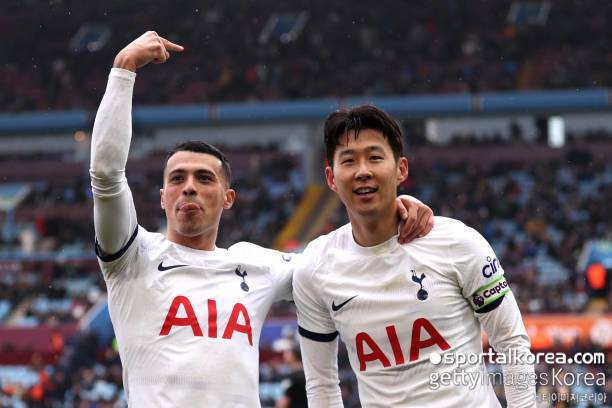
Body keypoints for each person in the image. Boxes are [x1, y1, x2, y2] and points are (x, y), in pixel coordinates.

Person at [90, 31, 434, 407]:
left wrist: (391, 207)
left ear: (228, 198)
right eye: (177, 179)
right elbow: (106, 176)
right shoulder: (133, 257)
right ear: (162, 197)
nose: (188, 187)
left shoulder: (258, 265)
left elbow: (340, 260)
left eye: (204, 178)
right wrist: (123, 69)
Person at [293, 105, 537, 407]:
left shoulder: (457, 242)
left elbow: (511, 342)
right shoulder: (313, 268)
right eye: (349, 160)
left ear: (401, 169)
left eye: (375, 157)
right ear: (331, 177)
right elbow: (321, 385)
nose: (363, 171)